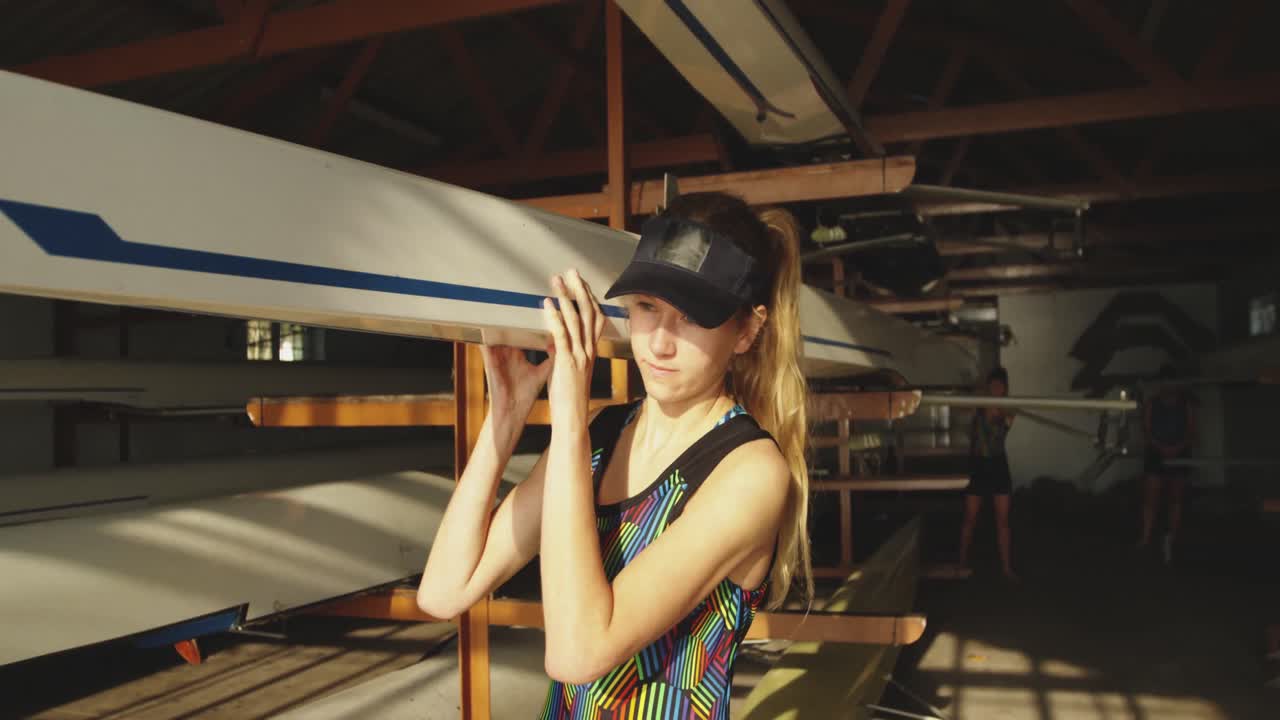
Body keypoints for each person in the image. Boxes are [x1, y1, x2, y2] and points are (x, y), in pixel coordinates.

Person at [416, 192, 812, 718]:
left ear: (747, 331)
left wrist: (568, 417)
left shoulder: (751, 472)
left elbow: (578, 652)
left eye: (692, 317)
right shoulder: (604, 433)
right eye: (647, 308)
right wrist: (506, 416)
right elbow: (443, 593)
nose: (660, 343)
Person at [958, 366, 1018, 580]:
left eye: (1000, 385)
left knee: (1003, 520)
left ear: (1005, 389)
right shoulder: (978, 405)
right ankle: (961, 563)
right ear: (988, 386)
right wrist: (977, 399)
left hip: (998, 466)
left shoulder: (1009, 409)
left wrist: (994, 407)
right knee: (970, 518)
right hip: (977, 465)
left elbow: (1007, 420)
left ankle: (1006, 568)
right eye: (993, 384)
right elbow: (964, 412)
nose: (996, 388)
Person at [1138, 363, 1195, 565]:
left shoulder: (1185, 405)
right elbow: (1146, 430)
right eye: (1165, 382)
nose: (1169, 386)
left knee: (1176, 498)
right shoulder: (1152, 404)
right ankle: (1146, 538)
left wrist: (1177, 448)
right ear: (1161, 383)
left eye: (1172, 382)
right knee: (1150, 497)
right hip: (1156, 453)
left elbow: (1190, 431)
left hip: (1180, 453)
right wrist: (1161, 447)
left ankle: (1173, 538)